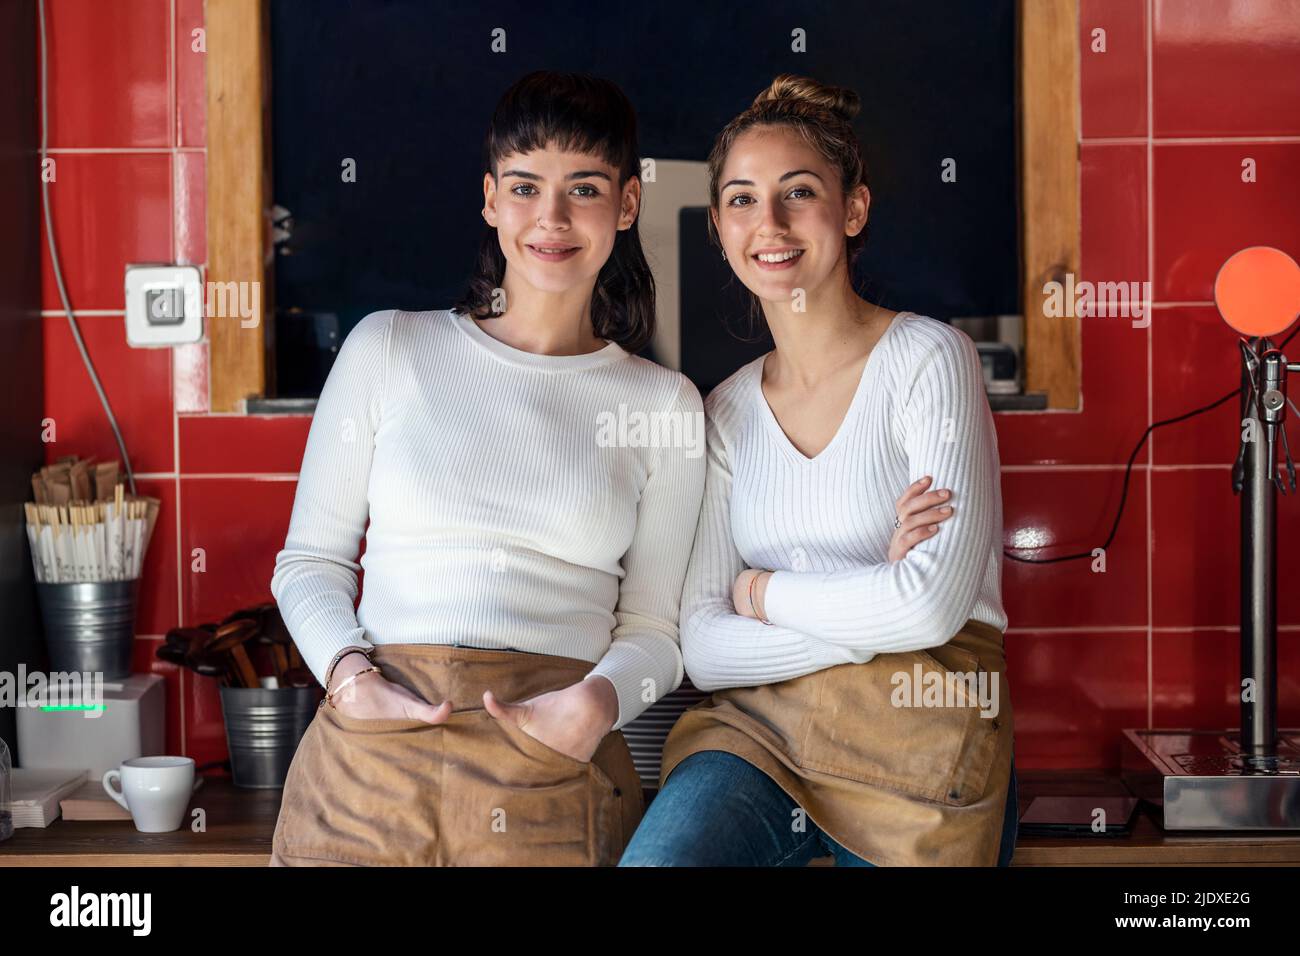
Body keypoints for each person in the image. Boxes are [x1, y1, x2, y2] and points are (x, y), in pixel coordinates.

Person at [268, 71, 705, 866]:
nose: (552, 217)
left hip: (550, 770)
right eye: (526, 186)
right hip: (370, 758)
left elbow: (656, 632)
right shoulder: (388, 348)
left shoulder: (665, 404)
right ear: (490, 199)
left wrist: (595, 705)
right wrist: (349, 677)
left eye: (584, 187)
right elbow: (311, 562)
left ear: (628, 204)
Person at [620, 74, 1017, 867]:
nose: (768, 222)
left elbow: (933, 612)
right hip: (754, 734)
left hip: (920, 719)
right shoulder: (725, 411)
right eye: (740, 198)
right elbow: (706, 647)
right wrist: (878, 606)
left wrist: (763, 595)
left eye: (798, 192)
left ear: (854, 209)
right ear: (721, 227)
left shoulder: (928, 359)